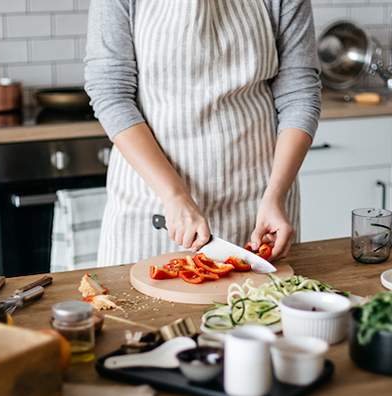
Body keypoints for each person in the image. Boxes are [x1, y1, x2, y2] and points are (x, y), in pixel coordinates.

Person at [85, 0, 321, 266]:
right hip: (153, 205)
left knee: (257, 306)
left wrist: (276, 194)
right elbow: (111, 93)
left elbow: (299, 95)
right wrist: (174, 196)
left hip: (259, 208)